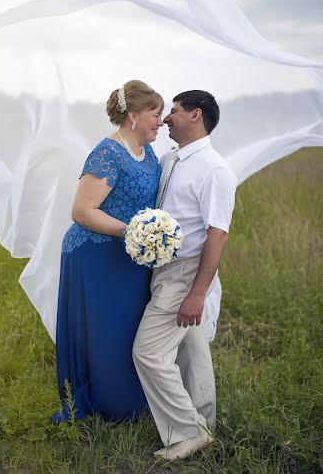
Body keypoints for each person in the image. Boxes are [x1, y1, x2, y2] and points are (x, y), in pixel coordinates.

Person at [133, 90, 237, 461]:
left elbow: (217, 233)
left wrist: (197, 293)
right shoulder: (170, 158)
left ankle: (187, 432)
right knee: (193, 354)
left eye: (173, 112)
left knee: (147, 352)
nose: (166, 119)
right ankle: (205, 423)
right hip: (164, 268)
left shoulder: (214, 169)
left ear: (196, 115)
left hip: (185, 272)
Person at [52, 79, 164, 422]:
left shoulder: (148, 152)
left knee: (129, 330)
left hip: (129, 257)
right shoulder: (107, 152)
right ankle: (111, 405)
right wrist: (132, 231)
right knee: (107, 333)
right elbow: (82, 211)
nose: (160, 121)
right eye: (155, 114)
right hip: (95, 255)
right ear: (133, 115)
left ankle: (134, 401)